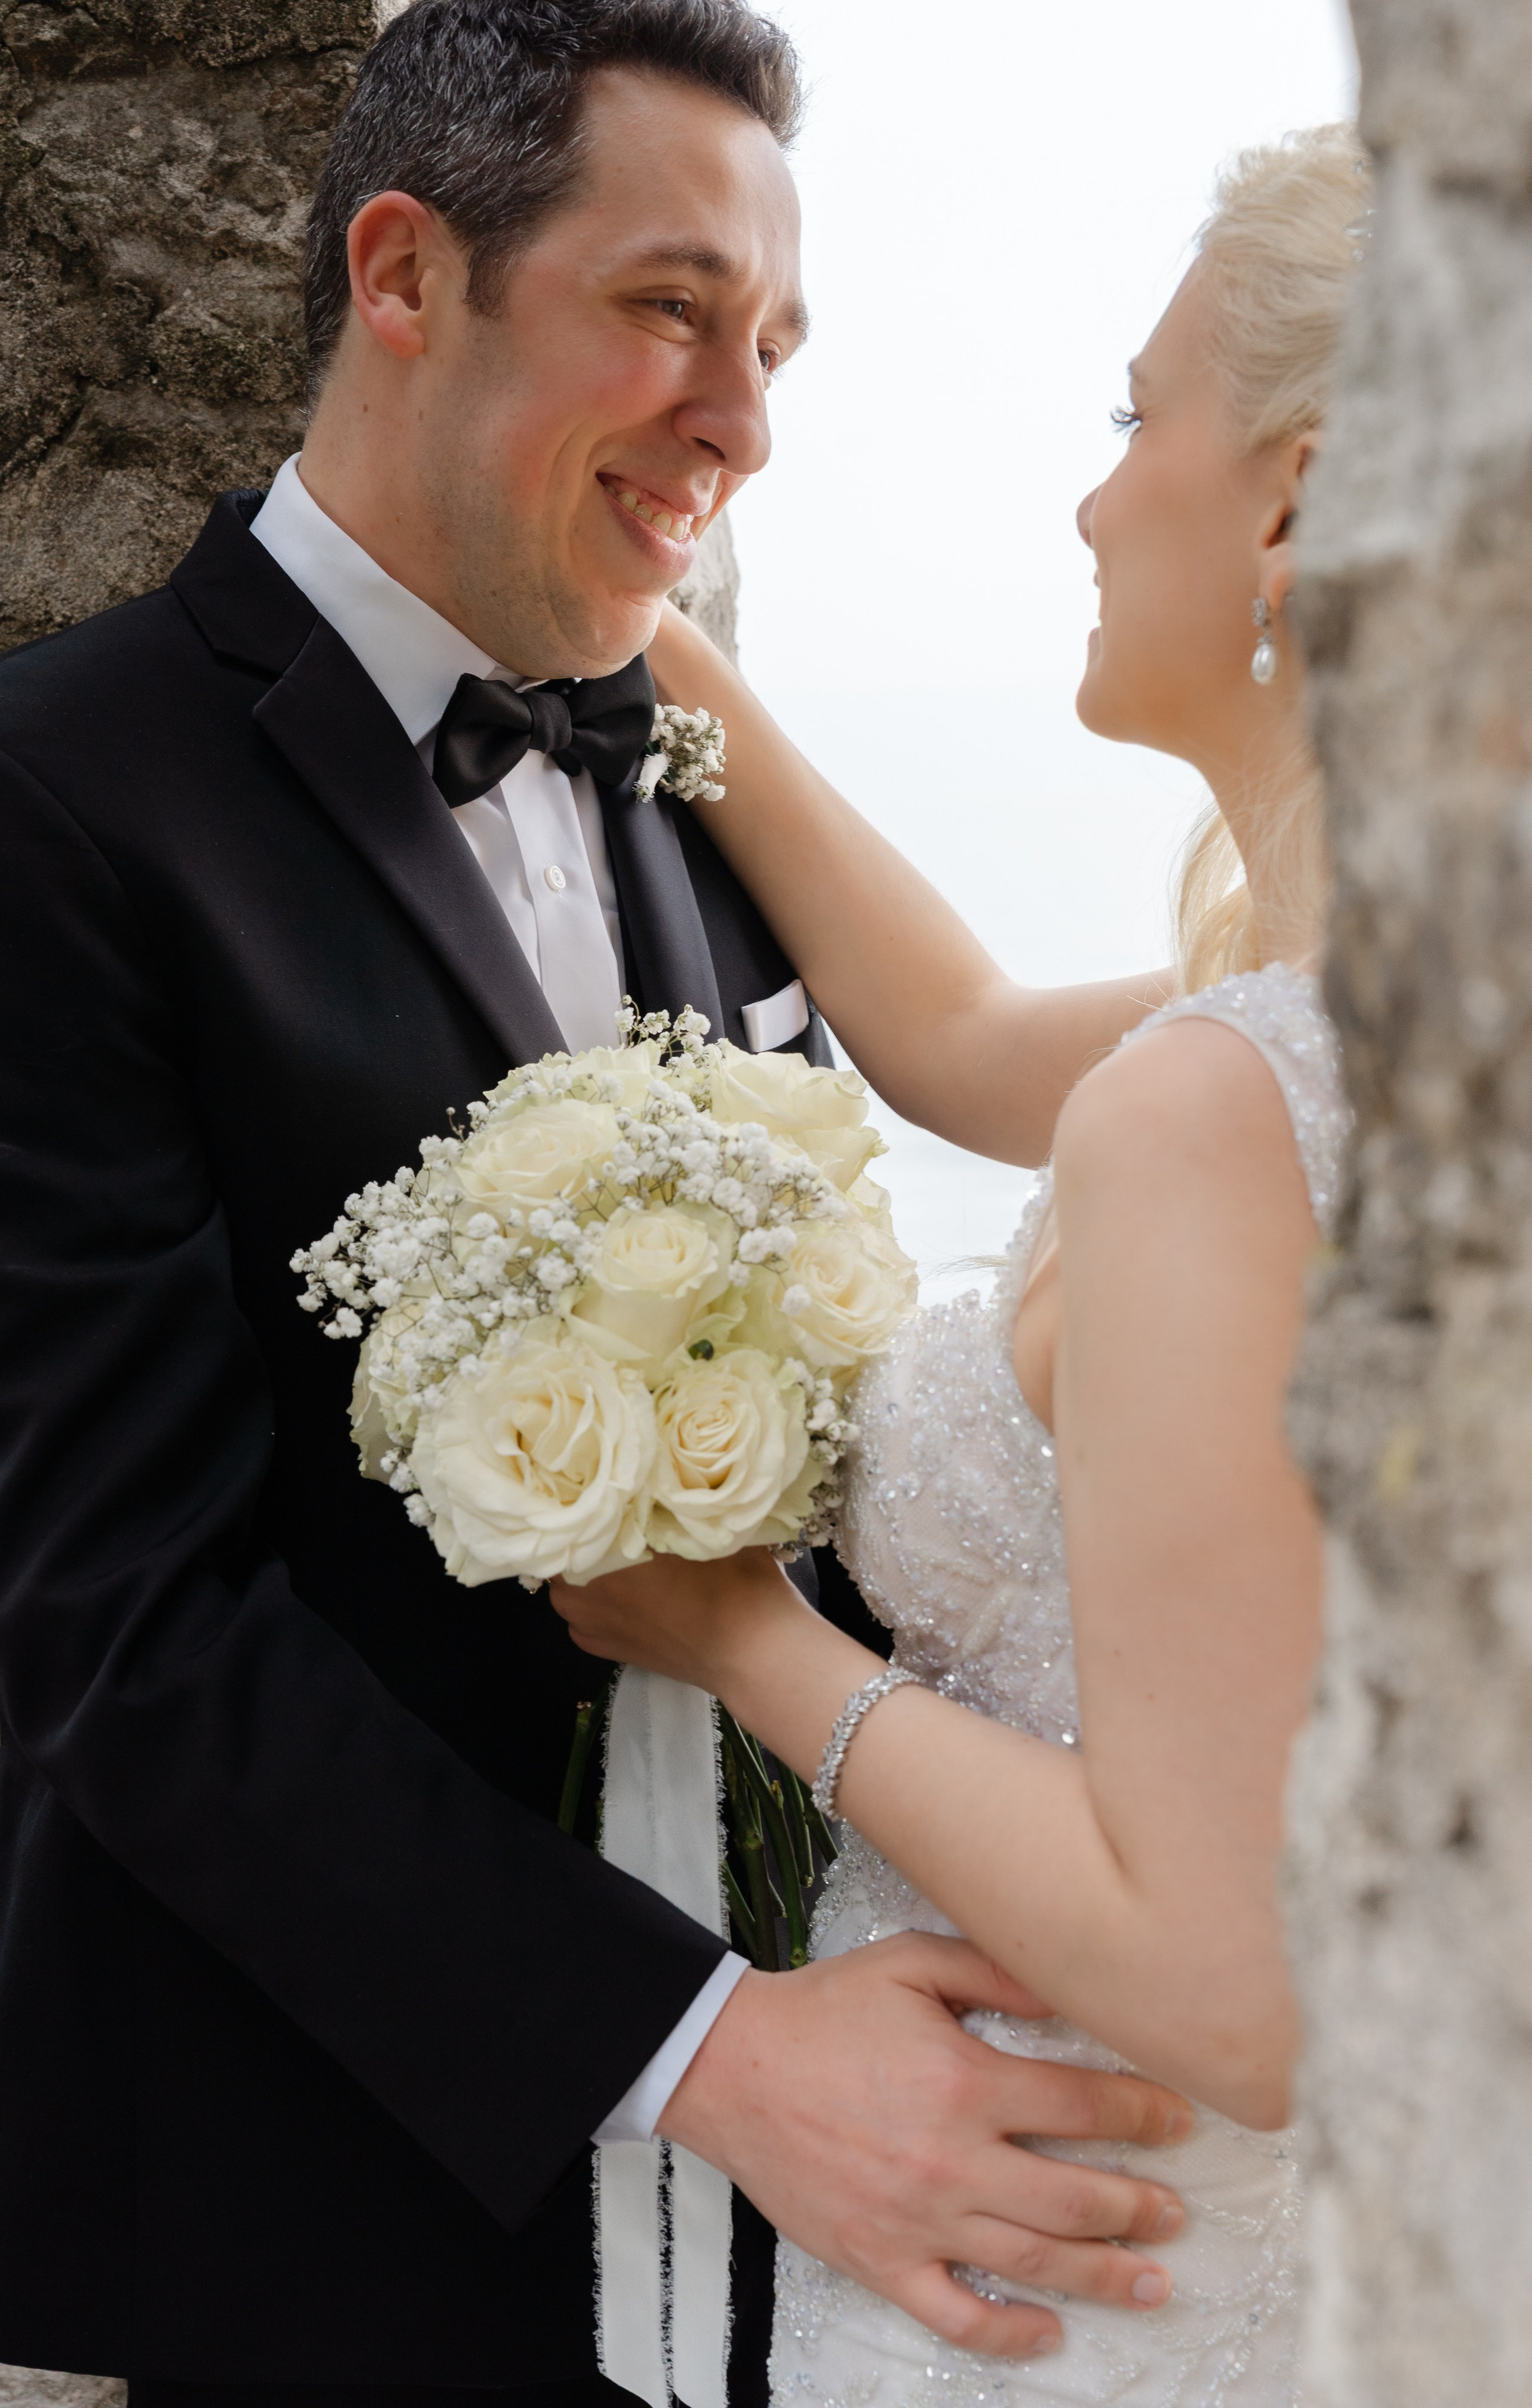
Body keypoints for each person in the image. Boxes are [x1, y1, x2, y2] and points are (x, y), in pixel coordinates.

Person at [0, 6, 1199, 2404]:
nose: (743, 417)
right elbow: (115, 1625)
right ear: (405, 274)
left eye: (775, 345)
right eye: (668, 310)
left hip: (778, 2244)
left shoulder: (688, 765)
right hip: (310, 2228)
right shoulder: (29, 809)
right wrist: (718, 2052)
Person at [551, 127, 1367, 2406]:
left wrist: (737, 1642)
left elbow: (1235, 1984)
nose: (1098, 498)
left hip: (1087, 2284)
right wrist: (643, 638)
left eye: (1137, 418)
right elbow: (971, 1043)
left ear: (1294, 502)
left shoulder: (1231, 1107)